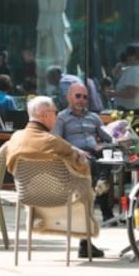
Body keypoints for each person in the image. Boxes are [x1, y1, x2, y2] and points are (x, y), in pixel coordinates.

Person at [5, 96, 104, 259]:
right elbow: (81, 165)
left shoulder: (16, 138)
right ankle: (85, 242)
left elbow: (10, 166)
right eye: (55, 113)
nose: (57, 116)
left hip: (27, 196)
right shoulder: (53, 141)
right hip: (60, 197)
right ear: (44, 115)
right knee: (86, 186)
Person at [52, 83, 114, 223]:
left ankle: (101, 182)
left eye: (85, 97)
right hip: (74, 155)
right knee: (92, 165)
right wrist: (76, 150)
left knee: (108, 154)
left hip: (94, 152)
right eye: (78, 96)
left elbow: (107, 137)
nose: (81, 100)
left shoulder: (94, 117)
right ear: (69, 97)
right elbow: (56, 140)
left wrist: (117, 135)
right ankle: (104, 211)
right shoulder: (62, 117)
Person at [107, 43, 139, 113]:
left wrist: (114, 93)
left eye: (130, 55)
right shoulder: (130, 68)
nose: (127, 57)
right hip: (124, 109)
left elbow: (131, 94)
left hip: (131, 110)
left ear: (137, 56)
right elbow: (116, 75)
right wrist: (117, 68)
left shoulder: (136, 71)